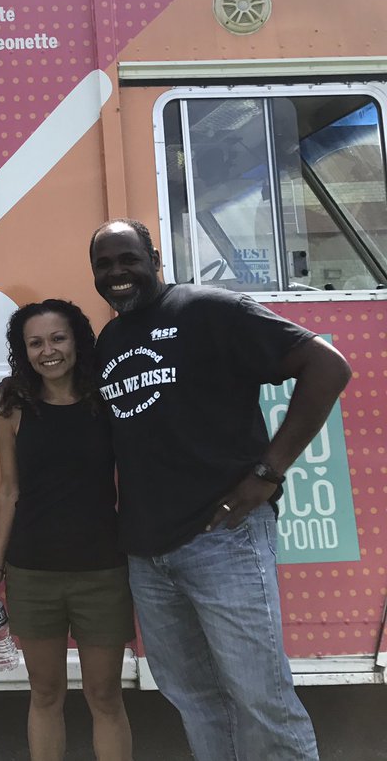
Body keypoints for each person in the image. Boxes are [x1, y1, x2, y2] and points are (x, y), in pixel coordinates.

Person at [88, 218, 351, 761]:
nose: (117, 272)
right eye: (105, 264)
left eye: (128, 258)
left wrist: (268, 472)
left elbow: (325, 366)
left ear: (154, 258)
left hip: (222, 539)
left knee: (262, 700)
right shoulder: (109, 340)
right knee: (196, 700)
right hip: (148, 554)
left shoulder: (208, 309)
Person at [0, 299, 133, 761]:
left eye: (58, 338)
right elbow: (9, 490)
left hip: (103, 572)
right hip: (34, 574)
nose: (49, 351)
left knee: (105, 696)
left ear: (77, 341)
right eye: (36, 343)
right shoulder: (12, 405)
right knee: (45, 695)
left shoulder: (108, 398)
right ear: (23, 351)